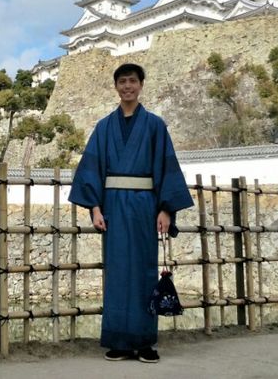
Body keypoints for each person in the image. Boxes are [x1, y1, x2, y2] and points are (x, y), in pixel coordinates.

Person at [68, 63, 193, 364]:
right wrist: (95, 208)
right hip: (112, 205)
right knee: (118, 271)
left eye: (132, 81)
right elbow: (92, 168)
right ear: (116, 87)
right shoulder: (104, 127)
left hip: (144, 207)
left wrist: (165, 209)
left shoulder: (154, 125)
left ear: (141, 85)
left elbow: (166, 166)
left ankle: (145, 341)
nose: (127, 87)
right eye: (122, 82)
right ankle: (119, 341)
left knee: (144, 271)